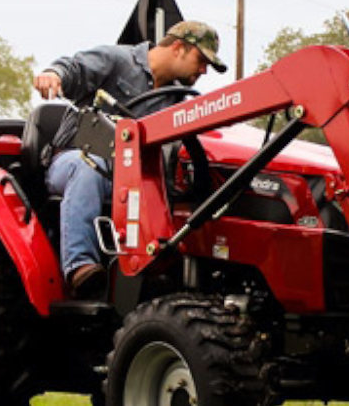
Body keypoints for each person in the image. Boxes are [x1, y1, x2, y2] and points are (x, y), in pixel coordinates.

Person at [33, 20, 227, 298]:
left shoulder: (176, 100)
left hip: (129, 177)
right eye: (201, 60)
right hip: (73, 162)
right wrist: (53, 74)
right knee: (89, 166)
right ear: (178, 47)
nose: (203, 70)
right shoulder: (117, 60)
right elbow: (73, 67)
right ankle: (79, 266)